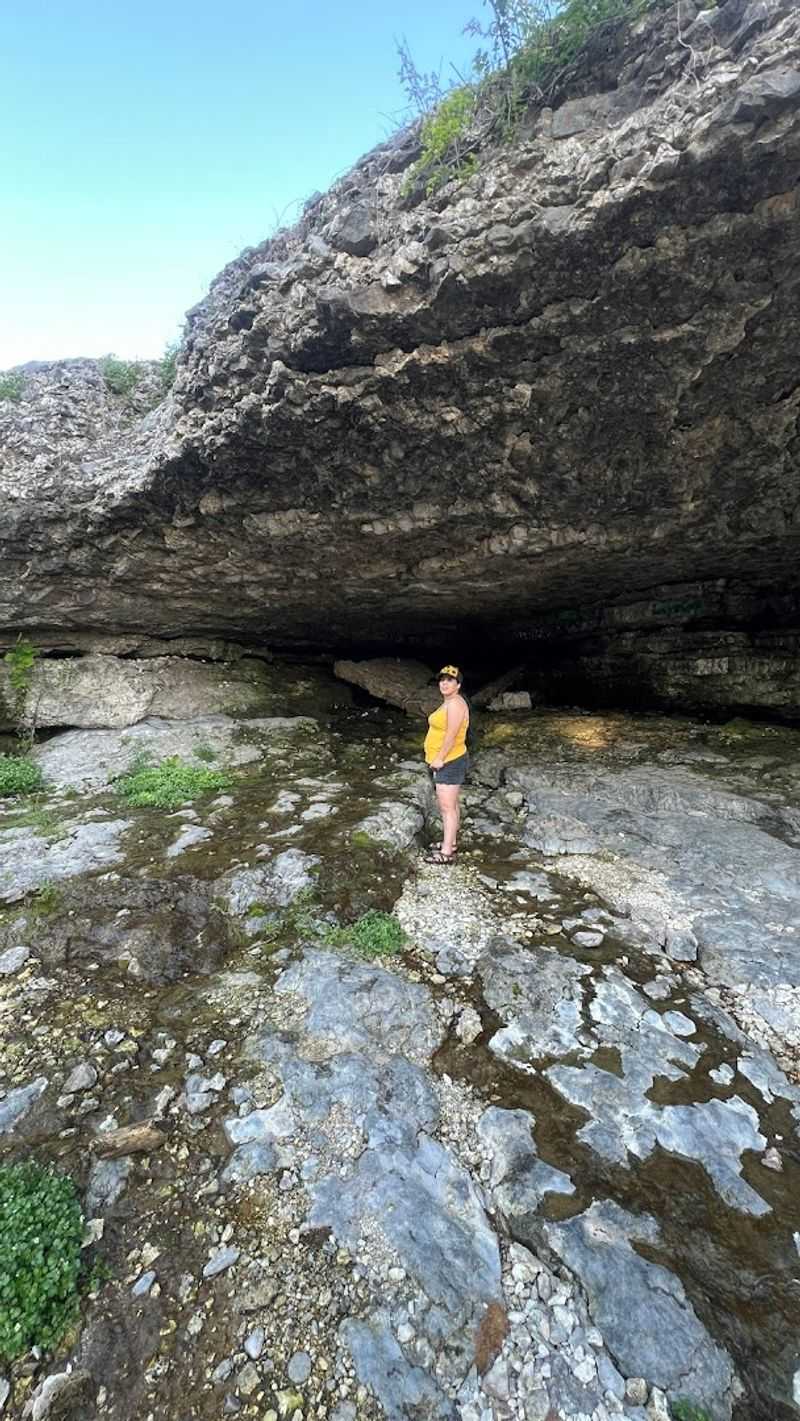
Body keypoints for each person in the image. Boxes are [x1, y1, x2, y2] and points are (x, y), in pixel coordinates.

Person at [423, 664, 469, 865]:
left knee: (446, 807)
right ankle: (450, 842)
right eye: (442, 680)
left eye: (450, 680)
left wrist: (440, 758)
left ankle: (446, 852)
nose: (444, 683)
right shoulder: (449, 702)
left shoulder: (456, 704)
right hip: (450, 759)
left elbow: (451, 734)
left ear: (458, 685)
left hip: (450, 761)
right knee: (452, 805)